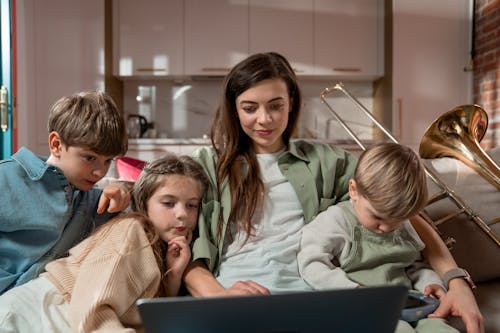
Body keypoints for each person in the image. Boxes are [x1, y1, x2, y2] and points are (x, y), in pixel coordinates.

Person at [183, 52, 483, 333]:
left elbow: (404, 213)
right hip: (236, 291)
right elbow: (180, 248)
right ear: (235, 110)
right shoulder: (206, 166)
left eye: (276, 105)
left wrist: (456, 282)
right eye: (250, 108)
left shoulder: (330, 162)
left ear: (292, 103)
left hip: (312, 294)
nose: (265, 119)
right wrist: (218, 296)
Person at [0, 154, 208, 331]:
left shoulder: (165, 249)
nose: (182, 214)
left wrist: (174, 275)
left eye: (191, 205)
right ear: (144, 204)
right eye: (168, 203)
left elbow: (149, 315)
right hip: (34, 313)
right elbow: (93, 309)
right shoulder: (131, 230)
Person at [297, 142, 458, 333]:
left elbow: (414, 266)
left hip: (409, 304)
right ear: (353, 190)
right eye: (377, 217)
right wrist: (351, 291)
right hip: (362, 309)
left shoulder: (404, 227)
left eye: (398, 219)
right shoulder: (337, 220)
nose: (386, 228)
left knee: (441, 329)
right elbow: (311, 263)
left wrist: (431, 283)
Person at [0, 91, 132, 295]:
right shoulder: (8, 177)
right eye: (89, 158)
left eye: (108, 161)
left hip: (36, 304)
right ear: (56, 145)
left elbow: (148, 199)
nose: (100, 171)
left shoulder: (95, 200)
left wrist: (124, 189)